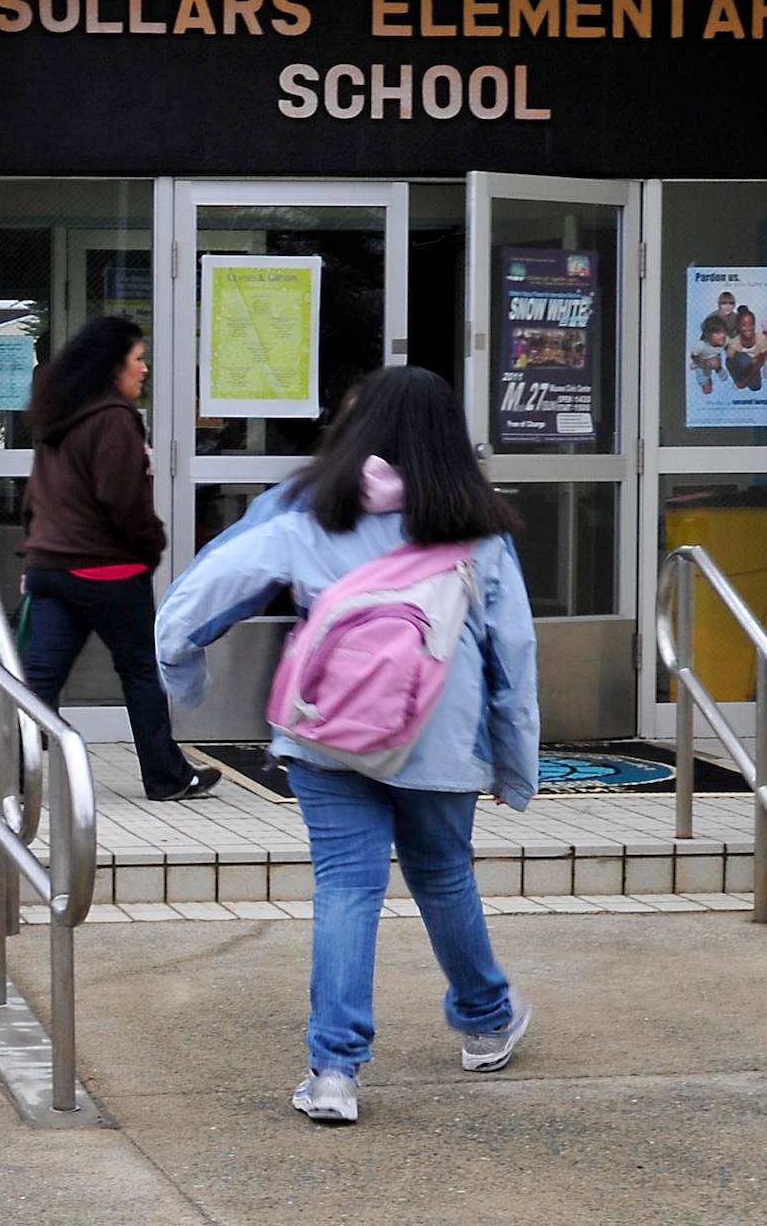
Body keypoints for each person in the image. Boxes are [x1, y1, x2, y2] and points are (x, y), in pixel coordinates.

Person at [155, 366, 539, 1126]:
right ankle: (486, 1020)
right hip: (439, 736)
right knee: (443, 876)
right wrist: (513, 761)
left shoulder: (305, 511)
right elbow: (513, 652)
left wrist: (183, 674)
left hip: (326, 731)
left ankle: (334, 1073)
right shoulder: (477, 524)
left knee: (346, 888)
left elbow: (198, 597)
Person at [20, 316, 217, 803]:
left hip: (51, 568)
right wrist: (151, 545)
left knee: (40, 679)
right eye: (138, 358)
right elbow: (123, 499)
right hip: (107, 568)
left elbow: (35, 497)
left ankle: (13, 776)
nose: (144, 369)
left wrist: (34, 555)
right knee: (139, 672)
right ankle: (167, 777)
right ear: (114, 365)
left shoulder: (56, 415)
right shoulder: (112, 418)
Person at [690, 314, 730, 395]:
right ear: (708, 335)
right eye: (717, 333)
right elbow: (693, 355)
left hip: (714, 359)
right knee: (707, 391)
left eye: (723, 332)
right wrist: (701, 364)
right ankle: (708, 374)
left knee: (715, 362)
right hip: (701, 363)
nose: (722, 335)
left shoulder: (726, 340)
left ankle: (718, 369)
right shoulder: (701, 345)